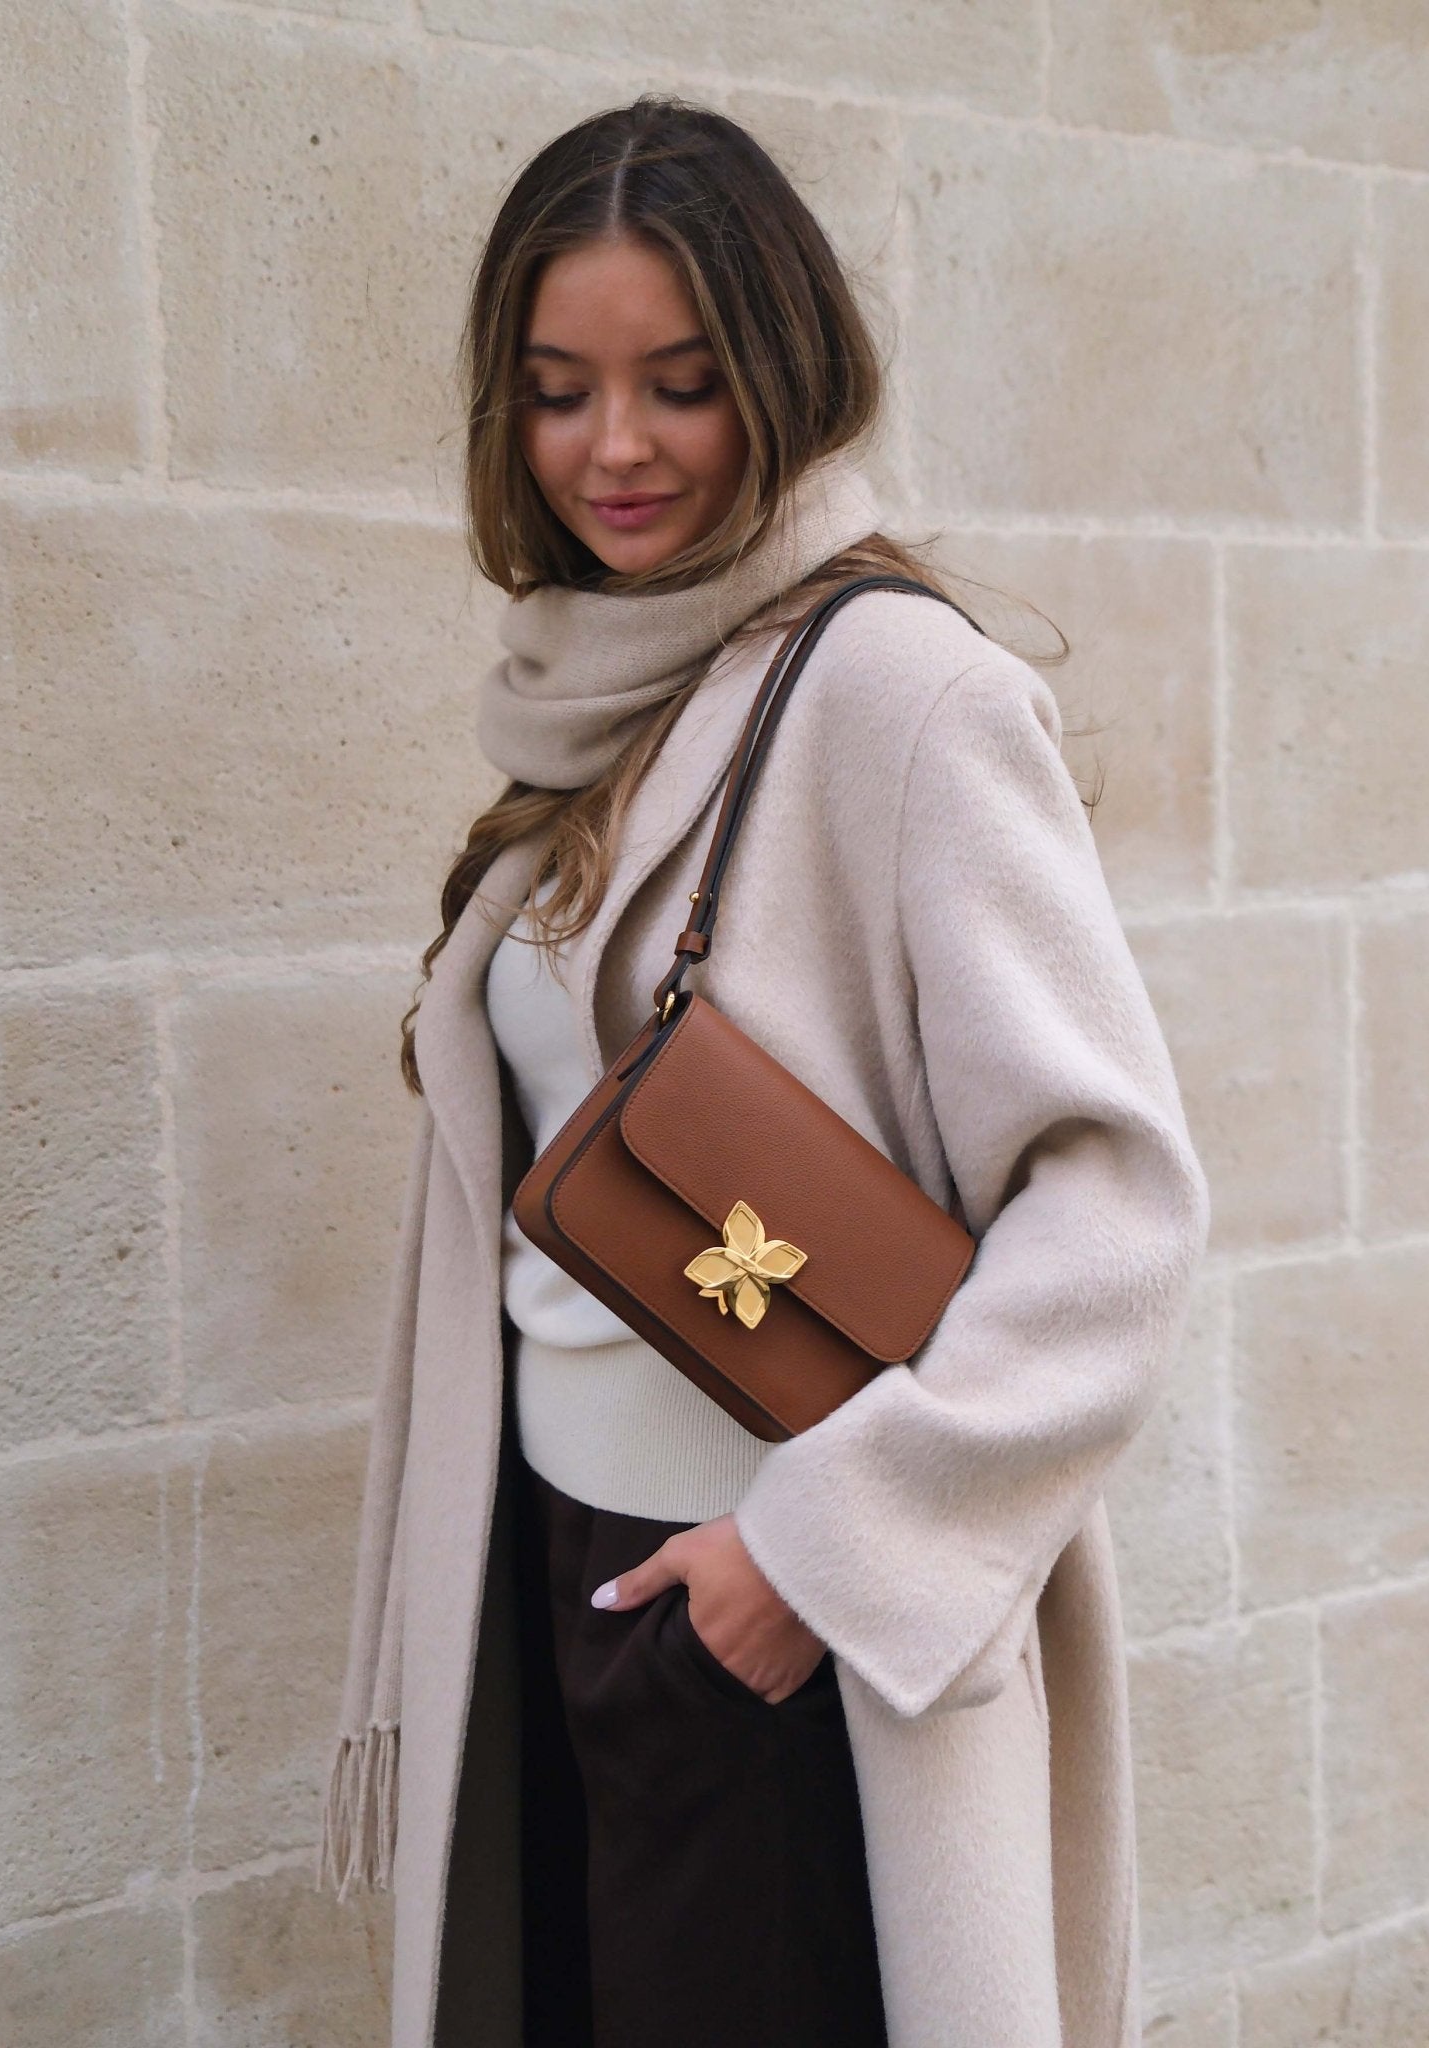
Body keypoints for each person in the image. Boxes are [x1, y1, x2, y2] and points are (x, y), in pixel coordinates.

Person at [319, 95, 1209, 2048]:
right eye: (558, 391)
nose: (613, 448)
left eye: (681, 382)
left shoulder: (902, 693)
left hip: (778, 1611)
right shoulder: (599, 700)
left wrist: (809, 1558)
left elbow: (1116, 1206)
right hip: (551, 1557)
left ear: (782, 372)